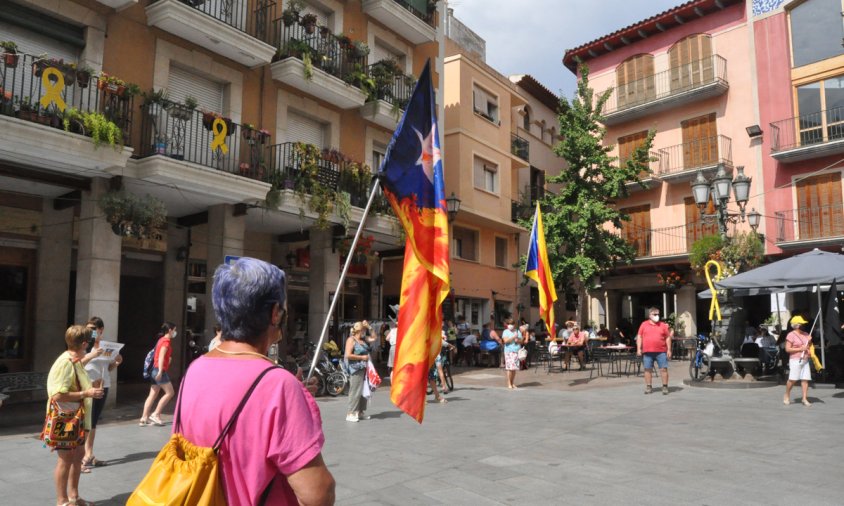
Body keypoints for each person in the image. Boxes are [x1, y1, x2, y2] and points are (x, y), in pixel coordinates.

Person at [176, 257, 335, 504]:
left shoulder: (195, 369)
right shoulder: (278, 386)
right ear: (274, 313)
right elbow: (318, 493)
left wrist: (292, 398)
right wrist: (288, 396)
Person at [47, 324, 104, 506]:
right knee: (65, 459)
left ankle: (74, 497)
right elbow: (57, 394)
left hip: (77, 417)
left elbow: (75, 384)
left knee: (78, 456)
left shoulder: (76, 360)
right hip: (66, 417)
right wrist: (86, 394)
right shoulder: (66, 362)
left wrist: (90, 387)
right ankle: (62, 501)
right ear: (84, 343)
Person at [80, 316, 122, 472]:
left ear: (101, 330)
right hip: (88, 386)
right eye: (88, 328)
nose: (90, 332)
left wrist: (116, 362)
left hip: (103, 385)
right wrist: (92, 354)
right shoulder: (84, 345)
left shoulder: (106, 346)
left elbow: (108, 368)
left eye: (93, 329)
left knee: (94, 421)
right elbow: (78, 364)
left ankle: (89, 454)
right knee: (86, 422)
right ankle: (80, 459)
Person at [140, 322, 177, 426]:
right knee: (170, 393)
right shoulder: (166, 341)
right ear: (170, 330)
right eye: (174, 330)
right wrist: (161, 371)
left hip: (154, 370)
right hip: (158, 370)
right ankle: (156, 414)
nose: (175, 332)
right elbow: (161, 357)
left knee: (153, 394)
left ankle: (144, 417)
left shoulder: (160, 340)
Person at [636, 307, 673, 395]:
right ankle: (649, 387)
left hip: (661, 352)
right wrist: (638, 348)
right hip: (647, 352)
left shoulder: (663, 325)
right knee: (647, 369)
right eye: (655, 314)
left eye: (658, 314)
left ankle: (664, 386)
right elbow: (639, 336)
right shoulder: (644, 324)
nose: (657, 316)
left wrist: (669, 350)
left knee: (663, 369)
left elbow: (668, 337)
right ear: (650, 315)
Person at [344, 320, 376, 422]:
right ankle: (350, 413)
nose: (364, 331)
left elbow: (374, 338)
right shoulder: (351, 340)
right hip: (355, 368)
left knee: (364, 390)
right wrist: (362, 357)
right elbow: (348, 355)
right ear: (359, 330)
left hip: (364, 368)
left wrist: (369, 327)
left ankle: (360, 412)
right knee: (355, 391)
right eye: (363, 329)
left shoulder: (363, 339)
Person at [784, 315, 813, 406]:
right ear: (797, 325)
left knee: (805, 379)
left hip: (805, 359)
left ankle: (804, 398)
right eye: (801, 324)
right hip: (795, 359)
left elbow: (809, 345)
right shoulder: (791, 335)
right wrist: (800, 349)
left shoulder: (806, 334)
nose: (803, 325)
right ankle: (787, 394)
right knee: (792, 379)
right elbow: (787, 349)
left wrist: (810, 341)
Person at [501, 318, 524, 389]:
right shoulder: (505, 332)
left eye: (511, 324)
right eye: (509, 324)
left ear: (514, 325)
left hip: (516, 351)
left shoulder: (517, 331)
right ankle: (509, 383)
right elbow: (505, 341)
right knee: (510, 368)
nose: (510, 325)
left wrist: (518, 340)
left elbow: (521, 341)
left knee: (514, 368)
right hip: (509, 351)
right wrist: (513, 337)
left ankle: (512, 382)